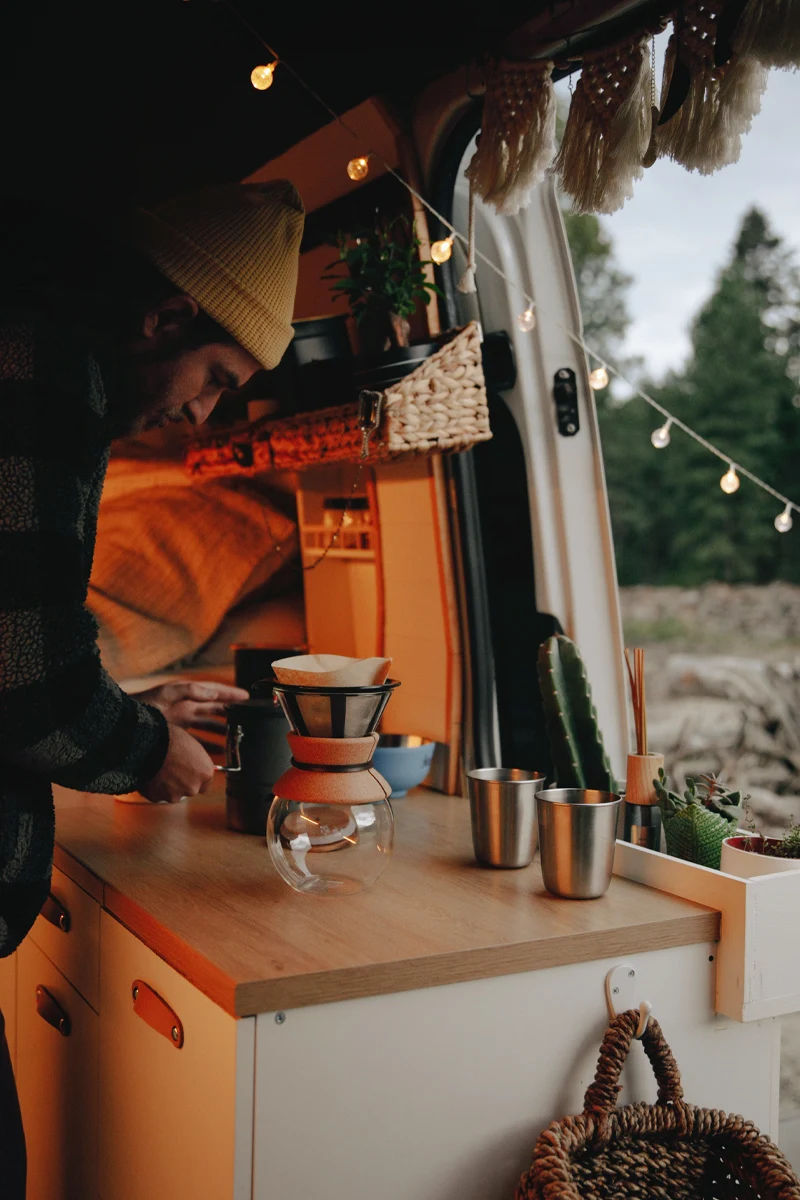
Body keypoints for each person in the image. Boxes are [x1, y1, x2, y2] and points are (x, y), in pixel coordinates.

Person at [0, 179, 305, 1193]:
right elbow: (32, 685)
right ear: (166, 314)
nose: (202, 412)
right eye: (216, 375)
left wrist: (131, 708)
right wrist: (146, 754)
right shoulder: (47, 363)